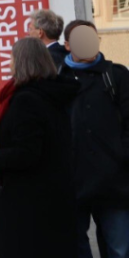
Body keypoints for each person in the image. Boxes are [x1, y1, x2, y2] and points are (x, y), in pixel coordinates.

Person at [0, 37, 79, 258]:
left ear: (22, 61)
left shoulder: (26, 99)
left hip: (28, 203)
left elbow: (28, 153)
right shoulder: (51, 93)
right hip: (51, 198)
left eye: (12, 57)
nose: (9, 62)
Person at [57, 20, 129, 258]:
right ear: (68, 45)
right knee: (75, 247)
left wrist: (121, 157)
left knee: (119, 249)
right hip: (72, 181)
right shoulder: (57, 79)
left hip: (113, 182)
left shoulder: (116, 75)